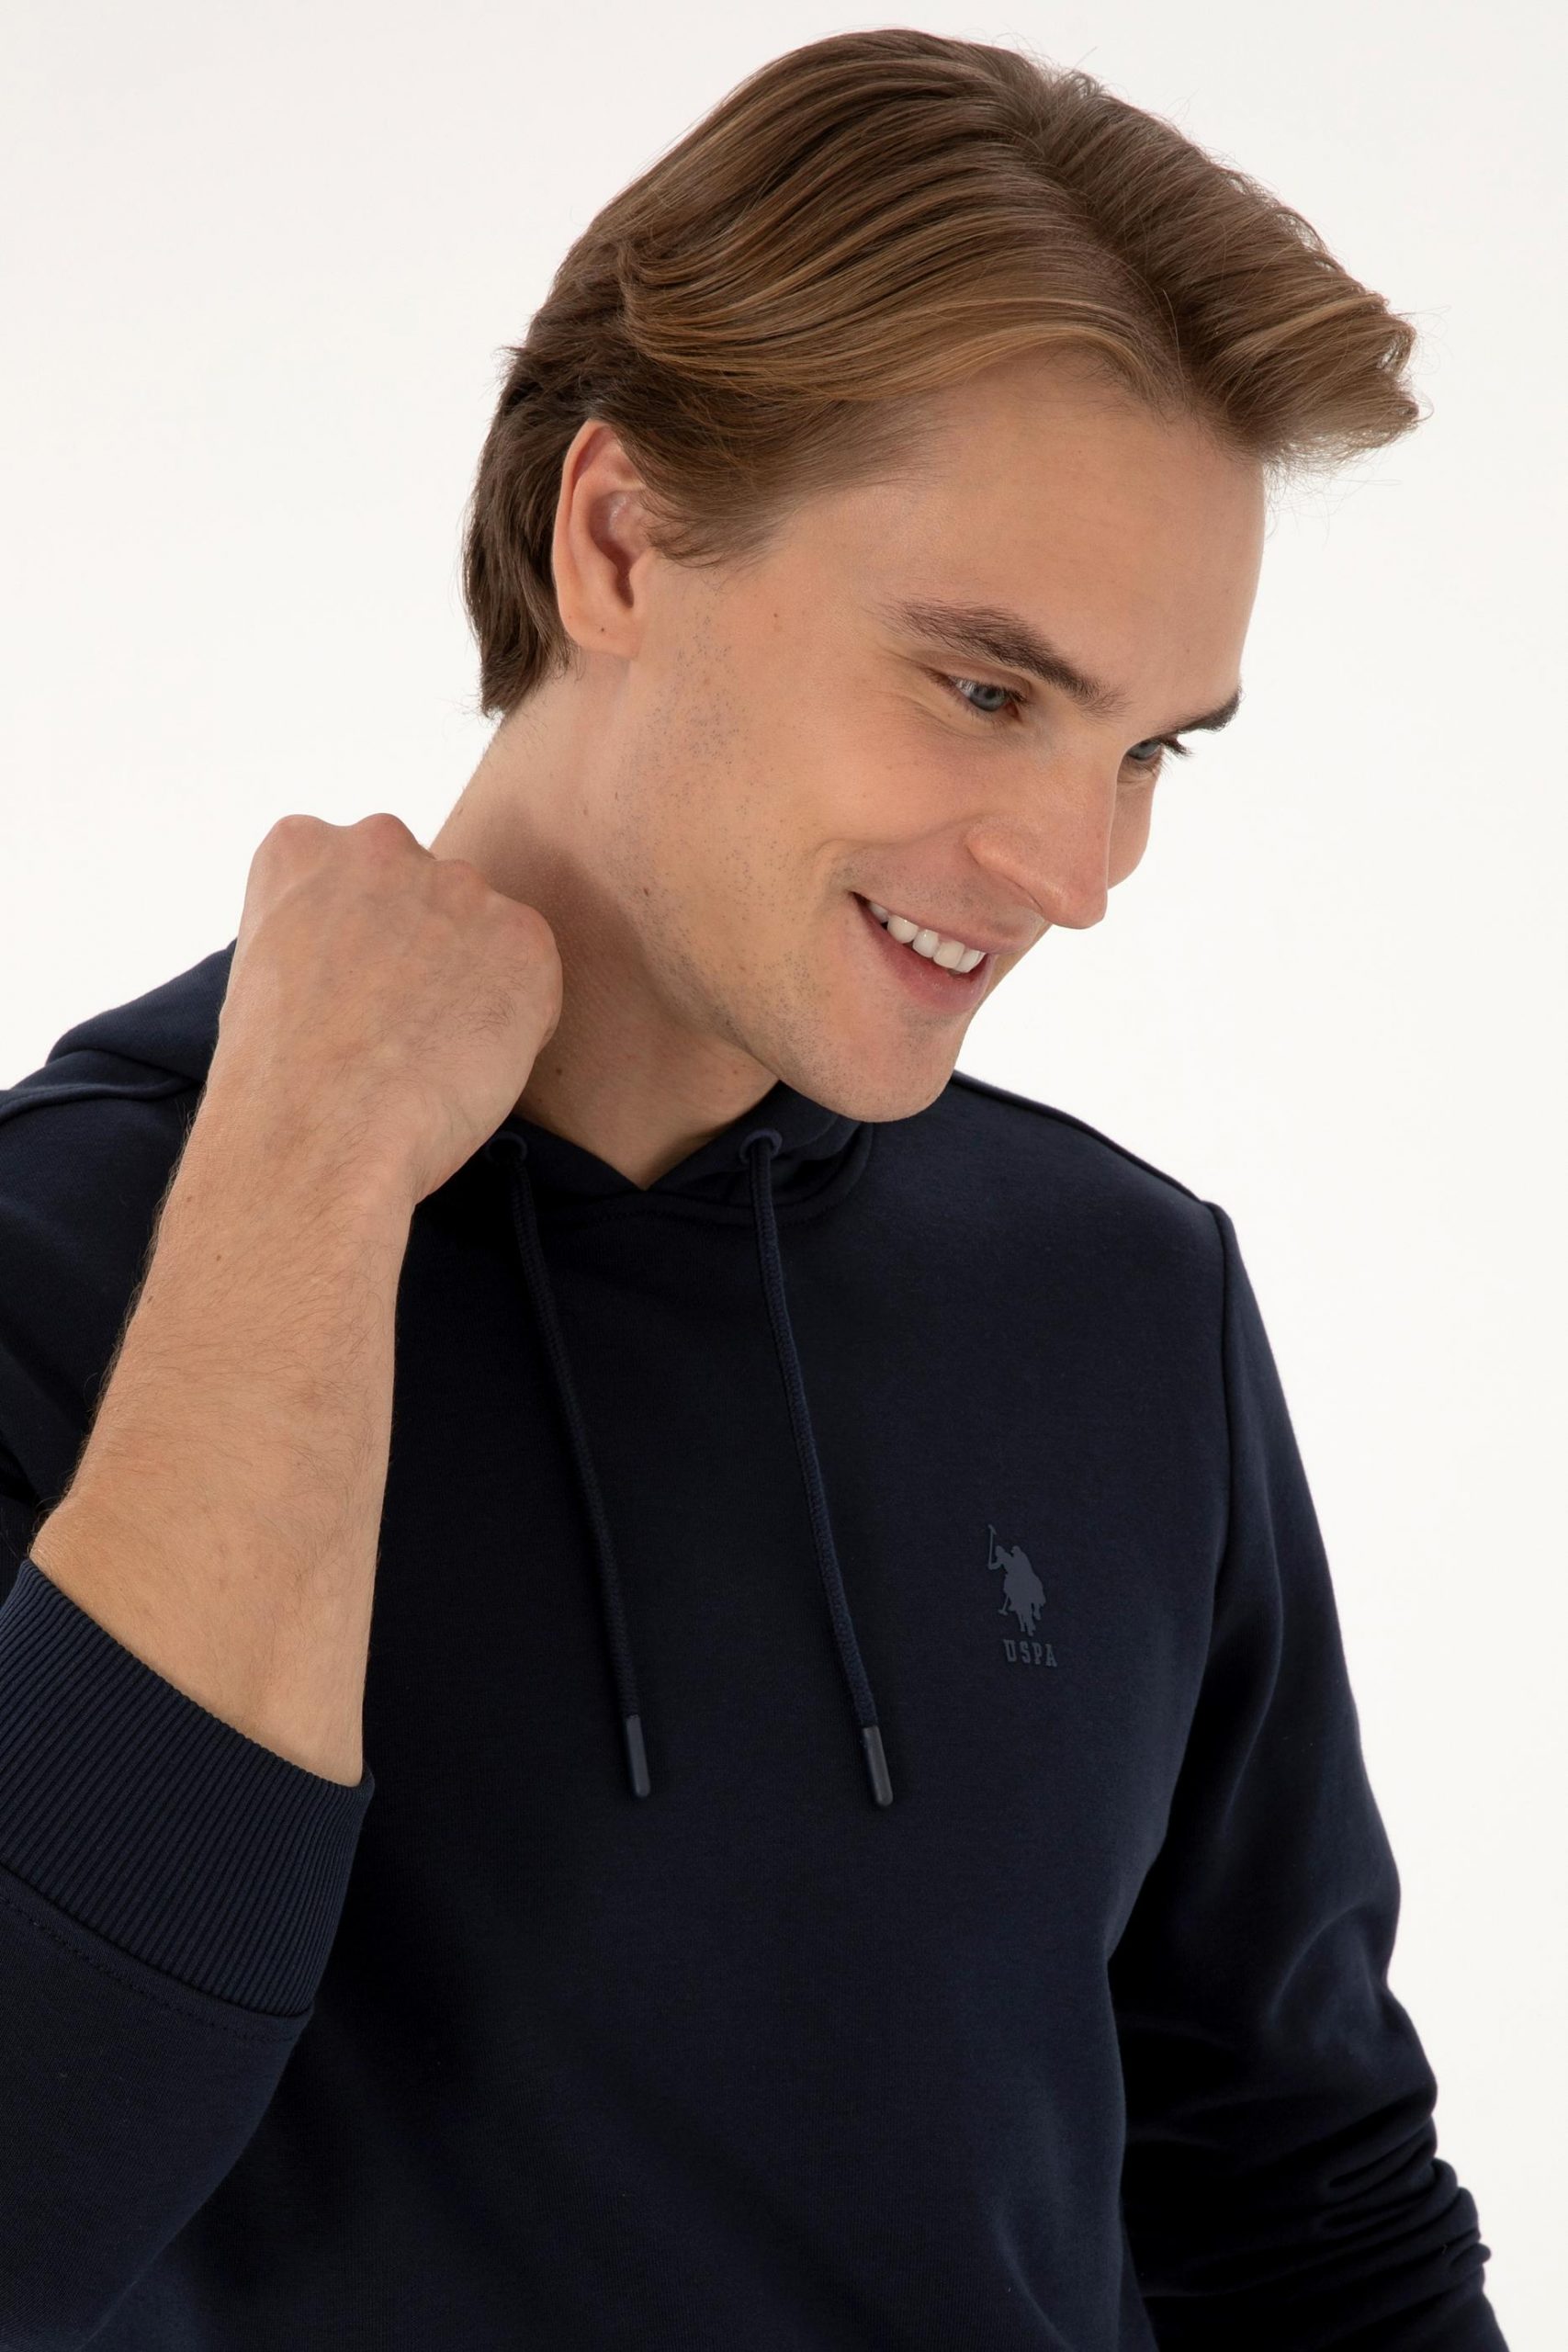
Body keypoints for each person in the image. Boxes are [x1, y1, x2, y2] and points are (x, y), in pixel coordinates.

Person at [0, 28, 1507, 2350]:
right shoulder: (65, 1272)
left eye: (1145, 749)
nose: (1078, 870)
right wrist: (304, 1175)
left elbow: (1304, 2211)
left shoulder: (1117, 1290)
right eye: (984, 690)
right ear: (615, 539)